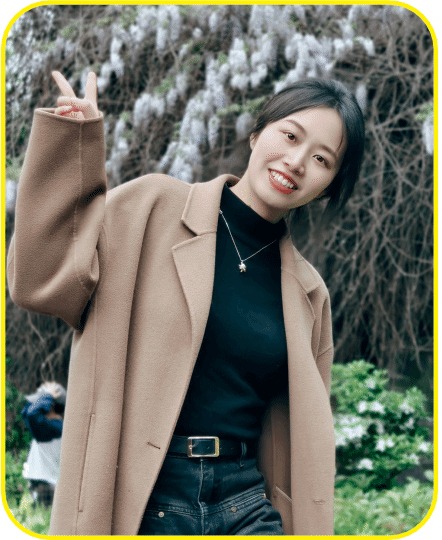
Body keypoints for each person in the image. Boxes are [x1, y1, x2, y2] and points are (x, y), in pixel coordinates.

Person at [7, 71, 365, 535]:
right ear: (257, 132)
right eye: (290, 136)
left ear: (330, 184)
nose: (296, 162)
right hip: (143, 498)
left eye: (321, 159)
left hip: (245, 503)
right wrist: (71, 145)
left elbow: (302, 437)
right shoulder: (152, 207)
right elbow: (39, 283)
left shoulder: (308, 293)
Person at [21, 381, 66, 507]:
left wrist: (47, 396)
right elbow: (25, 414)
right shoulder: (54, 426)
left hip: (46, 488)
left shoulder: (52, 428)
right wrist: (47, 396)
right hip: (46, 485)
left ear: (50, 407)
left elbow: (31, 414)